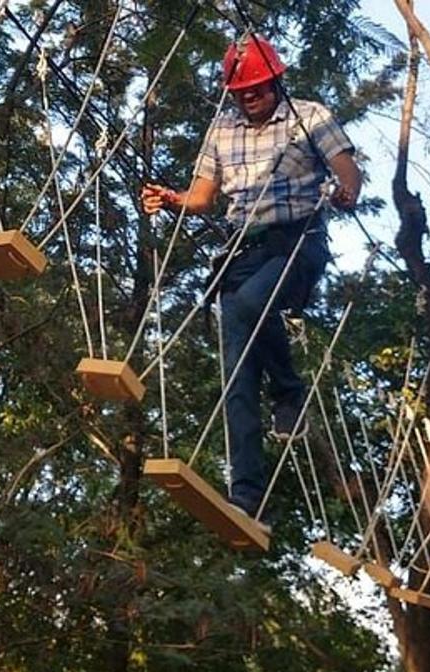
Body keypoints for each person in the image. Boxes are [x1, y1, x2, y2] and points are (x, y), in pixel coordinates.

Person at [140, 34, 362, 531]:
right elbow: (203, 196)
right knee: (236, 368)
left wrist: (347, 191)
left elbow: (347, 168)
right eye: (241, 91)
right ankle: (245, 495)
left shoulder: (309, 116)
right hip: (244, 248)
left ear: (275, 81)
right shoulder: (222, 130)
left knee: (244, 307)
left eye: (257, 87)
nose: (249, 97)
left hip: (297, 241)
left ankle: (288, 390)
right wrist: (172, 199)